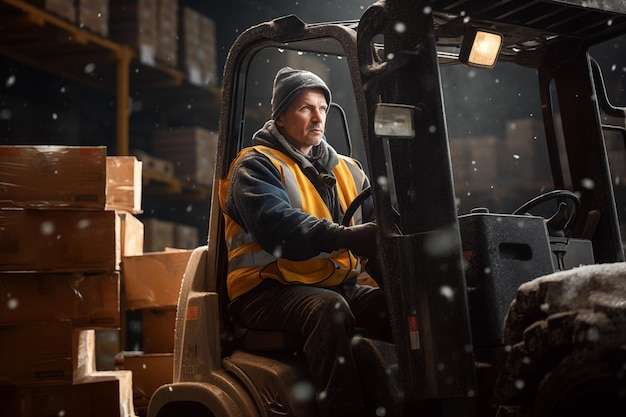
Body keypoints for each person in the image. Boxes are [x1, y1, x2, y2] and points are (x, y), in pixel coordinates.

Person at [218, 66, 390, 417]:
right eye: (305, 108)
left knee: (403, 308)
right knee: (328, 310)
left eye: (323, 108)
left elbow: (379, 229)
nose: (317, 117)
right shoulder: (255, 166)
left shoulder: (350, 170)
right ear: (280, 117)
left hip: (334, 285)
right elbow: (276, 227)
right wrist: (346, 237)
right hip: (266, 292)